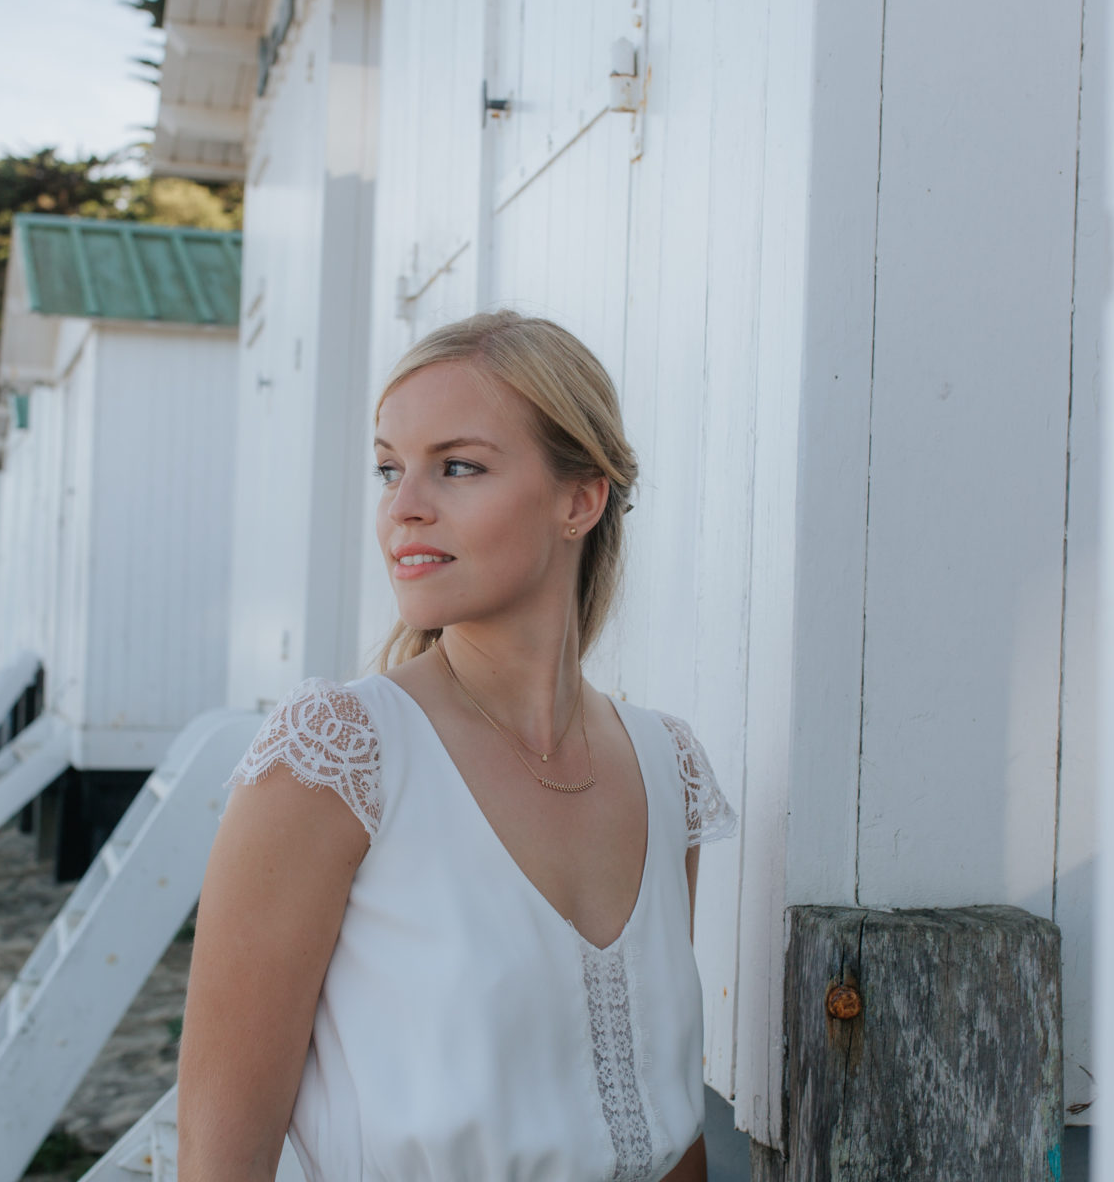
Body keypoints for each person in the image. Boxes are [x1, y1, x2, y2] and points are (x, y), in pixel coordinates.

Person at [181, 311, 736, 1182]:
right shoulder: (335, 757)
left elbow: (671, 1122)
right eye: (389, 469)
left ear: (579, 500)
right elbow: (220, 1163)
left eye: (459, 467)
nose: (403, 507)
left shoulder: (669, 767)